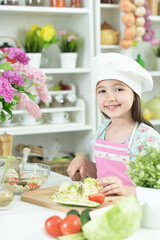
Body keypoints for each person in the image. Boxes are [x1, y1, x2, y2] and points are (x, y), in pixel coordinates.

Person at [67, 52, 160, 197]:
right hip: (105, 207)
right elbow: (102, 175)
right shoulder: (101, 132)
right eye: (102, 91)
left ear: (134, 95)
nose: (110, 98)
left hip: (136, 212)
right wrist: (84, 162)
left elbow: (156, 191)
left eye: (119, 89)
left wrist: (126, 190)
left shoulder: (147, 138)